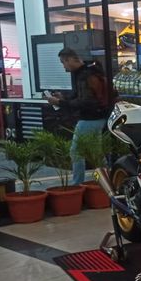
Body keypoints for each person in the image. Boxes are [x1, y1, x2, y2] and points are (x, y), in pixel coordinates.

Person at [47, 48, 110, 185]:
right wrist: (64, 97)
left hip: (89, 118)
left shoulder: (84, 75)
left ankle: (77, 184)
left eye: (63, 62)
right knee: (96, 152)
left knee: (76, 151)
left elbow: (86, 102)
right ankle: (107, 179)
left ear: (70, 59)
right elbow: (82, 96)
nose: (64, 66)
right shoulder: (90, 70)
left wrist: (60, 103)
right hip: (99, 116)